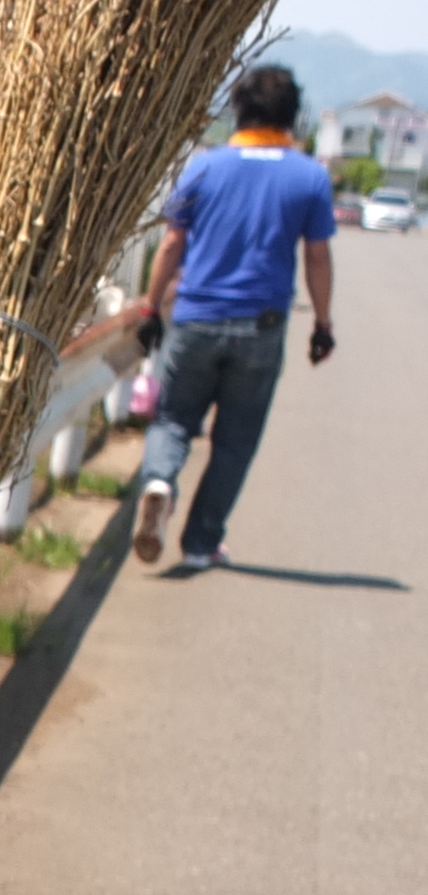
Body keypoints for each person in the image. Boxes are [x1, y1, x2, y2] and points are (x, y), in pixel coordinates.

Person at [133, 62, 337, 572]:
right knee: (235, 442)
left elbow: (172, 243)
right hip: (261, 327)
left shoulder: (203, 168)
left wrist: (151, 307)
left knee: (173, 419)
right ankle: (201, 544)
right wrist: (322, 324)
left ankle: (159, 481)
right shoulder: (310, 176)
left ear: (239, 109)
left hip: (195, 318)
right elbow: (316, 257)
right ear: (292, 115)